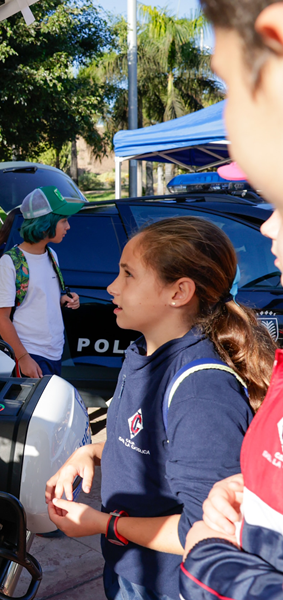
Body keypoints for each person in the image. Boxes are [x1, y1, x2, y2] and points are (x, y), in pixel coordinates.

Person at [45, 217, 275, 600]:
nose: (111, 287)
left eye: (128, 275)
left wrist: (103, 524)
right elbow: (156, 448)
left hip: (166, 585)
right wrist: (91, 452)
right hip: (127, 568)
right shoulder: (142, 352)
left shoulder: (202, 391)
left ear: (179, 291)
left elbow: (205, 530)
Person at [178, 2, 283, 598]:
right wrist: (253, 490)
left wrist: (208, 557)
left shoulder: (204, 383)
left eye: (224, 82)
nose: (267, 228)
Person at [0, 187, 81, 378]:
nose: (68, 227)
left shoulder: (51, 255)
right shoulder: (10, 263)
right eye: (63, 221)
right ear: (45, 223)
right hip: (31, 355)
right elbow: (1, 317)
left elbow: (40, 297)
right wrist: (23, 358)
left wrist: (65, 298)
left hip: (55, 352)